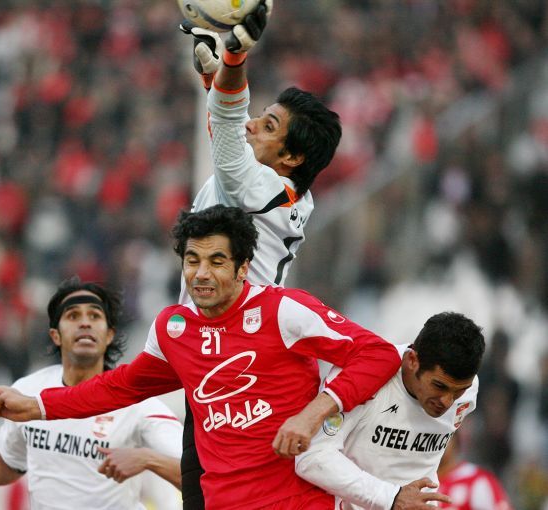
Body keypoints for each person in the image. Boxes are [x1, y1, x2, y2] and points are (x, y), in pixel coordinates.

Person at [0, 205, 401, 510]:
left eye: (217, 261)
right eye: (192, 260)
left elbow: (377, 354)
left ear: (242, 267)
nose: (201, 274)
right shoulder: (173, 329)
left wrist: (313, 414)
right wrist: (37, 406)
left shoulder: (283, 310)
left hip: (295, 501)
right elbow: (120, 386)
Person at [180, 1, 342, 505]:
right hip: (224, 357)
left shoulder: (262, 189)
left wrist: (233, 61)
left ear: (291, 157)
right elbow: (226, 133)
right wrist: (214, 78)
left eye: (268, 126)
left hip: (238, 368)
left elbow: (228, 134)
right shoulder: (270, 187)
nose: (253, 125)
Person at [0, 278, 183, 509]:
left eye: (95, 315)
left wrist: (148, 459)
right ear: (55, 335)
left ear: (109, 335)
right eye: (73, 315)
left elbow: (196, 473)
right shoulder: (27, 392)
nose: (85, 322)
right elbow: (10, 463)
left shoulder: (137, 402)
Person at [294, 312, 486, 509]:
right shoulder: (363, 378)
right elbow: (311, 456)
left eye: (459, 391)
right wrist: (392, 497)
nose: (447, 402)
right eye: (439, 386)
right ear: (412, 360)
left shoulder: (468, 392)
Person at [437, 433, 513, 510]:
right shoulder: (430, 481)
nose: (434, 443)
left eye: (440, 436)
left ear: (455, 441)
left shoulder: (478, 480)